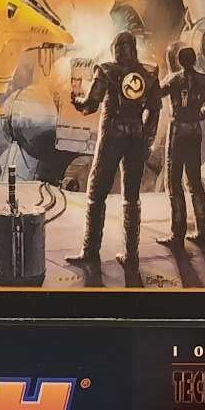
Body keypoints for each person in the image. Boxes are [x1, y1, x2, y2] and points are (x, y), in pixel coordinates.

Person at [68, 31, 161, 274]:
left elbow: (91, 105)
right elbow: (155, 109)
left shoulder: (106, 71)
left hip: (111, 135)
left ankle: (90, 251)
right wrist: (147, 138)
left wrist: (77, 101)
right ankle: (131, 255)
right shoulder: (149, 73)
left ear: (116, 48)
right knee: (131, 196)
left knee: (96, 191)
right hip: (136, 136)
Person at [161, 44, 205, 248]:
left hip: (177, 131)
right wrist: (198, 115)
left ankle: (177, 234)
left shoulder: (173, 79)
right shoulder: (203, 80)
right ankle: (203, 232)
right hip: (195, 130)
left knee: (173, 182)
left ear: (179, 61)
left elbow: (155, 94)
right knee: (194, 182)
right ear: (195, 60)